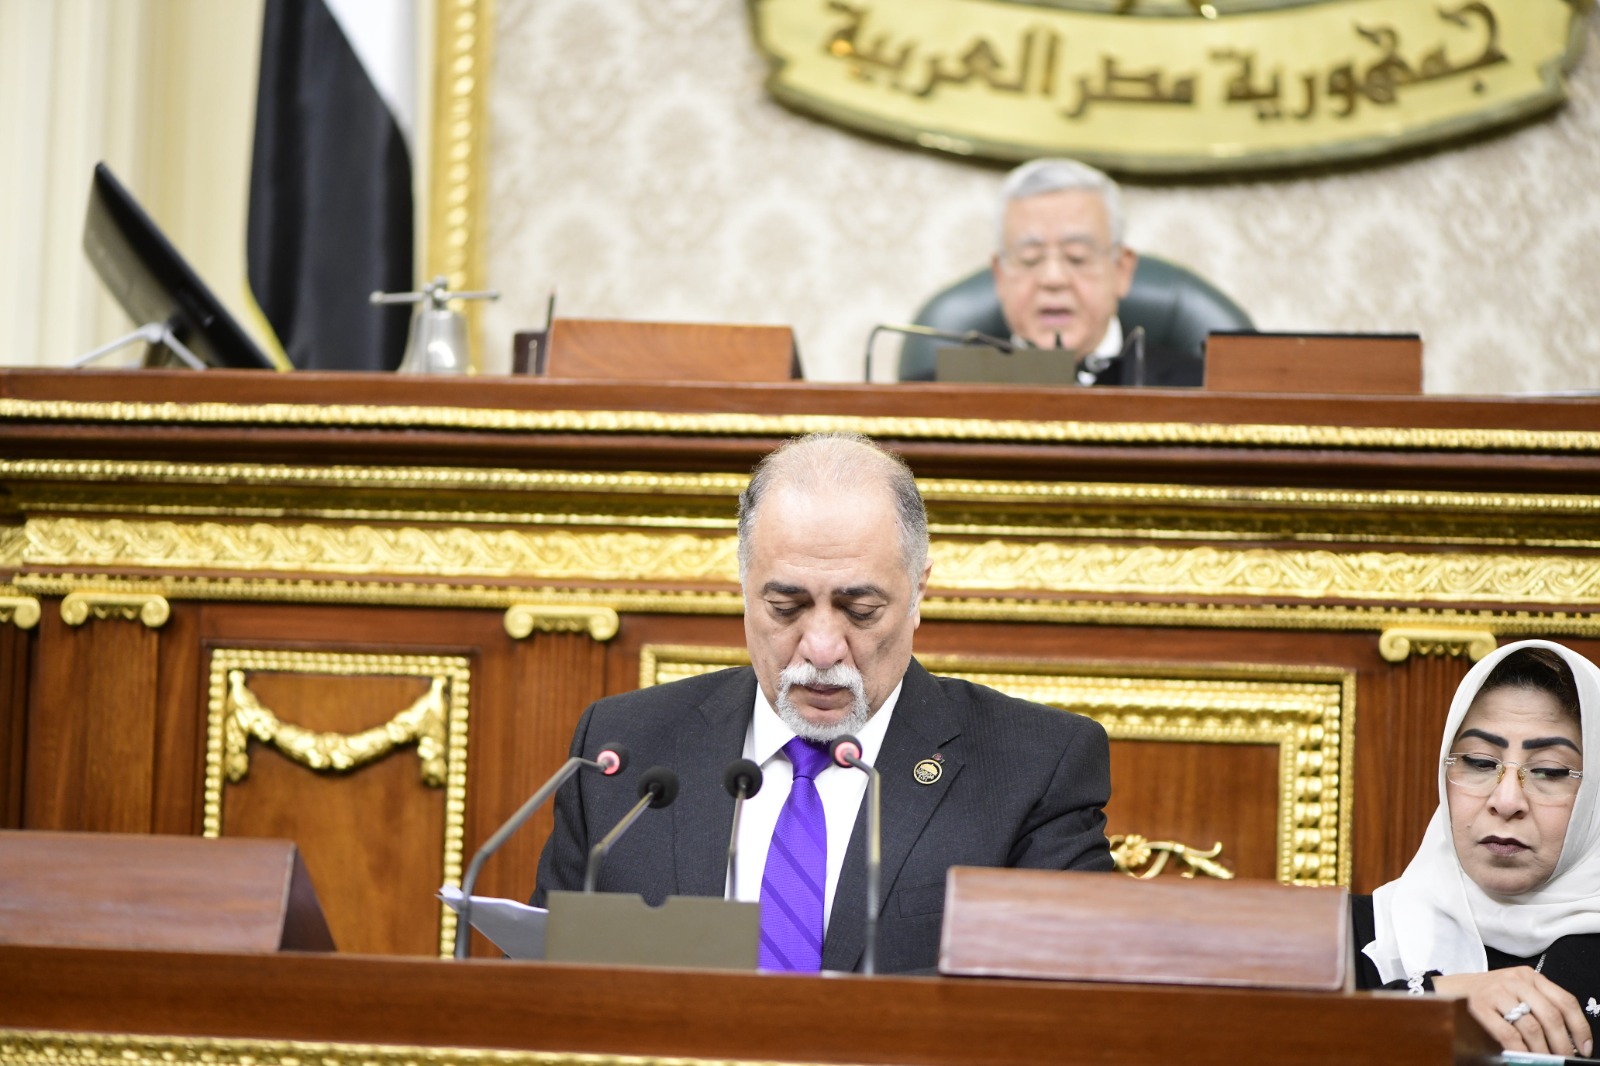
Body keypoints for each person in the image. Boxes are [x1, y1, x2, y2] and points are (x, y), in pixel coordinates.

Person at [533, 431, 1113, 974]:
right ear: (744, 587)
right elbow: (543, 985)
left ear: (918, 592)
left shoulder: (1034, 768)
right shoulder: (624, 749)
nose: (822, 648)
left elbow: (1069, 1005)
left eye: (860, 611)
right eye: (786, 608)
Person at [1354, 639, 1600, 1056]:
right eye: (1480, 762)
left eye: (1549, 770)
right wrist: (1436, 1002)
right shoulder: (1357, 936)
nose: (1506, 801)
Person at [989, 158, 1202, 387]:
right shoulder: (959, 387)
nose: (1053, 279)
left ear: (1121, 270)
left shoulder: (1200, 389)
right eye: (1030, 258)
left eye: (1077, 257)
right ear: (1000, 276)